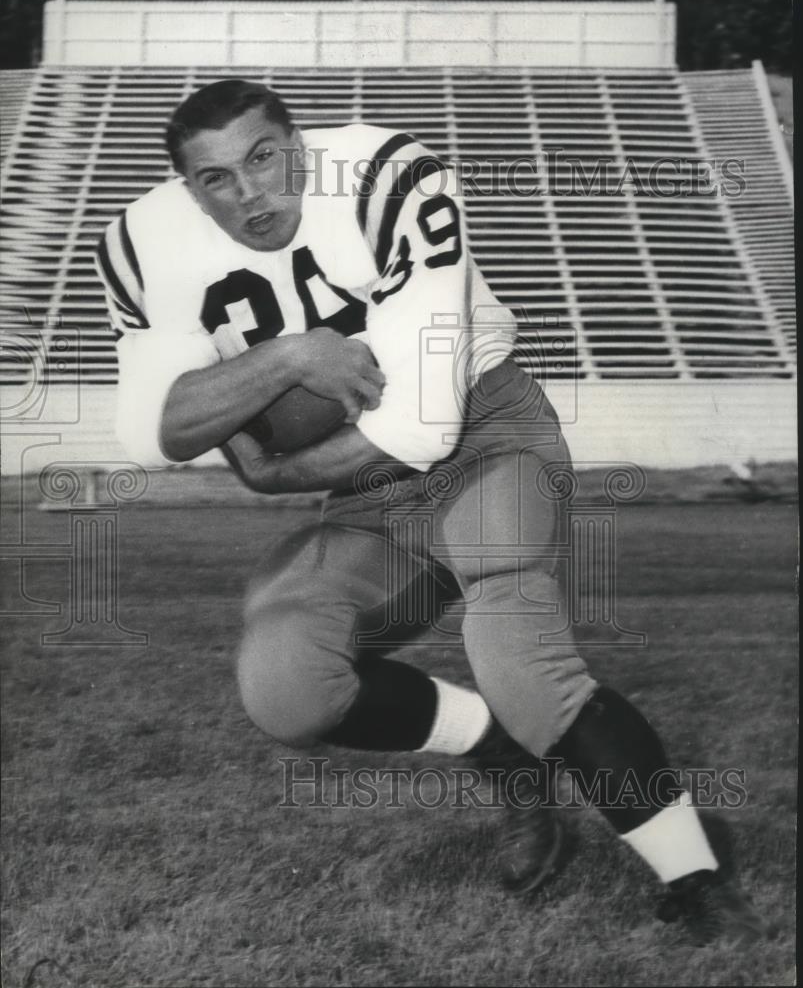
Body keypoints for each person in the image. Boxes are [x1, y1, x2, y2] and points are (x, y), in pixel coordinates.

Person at [95, 78, 766, 946]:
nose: (250, 191)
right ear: (188, 188)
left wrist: (267, 451)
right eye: (216, 178)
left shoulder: (385, 176)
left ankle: (696, 877)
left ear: (298, 144)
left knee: (520, 663)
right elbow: (153, 435)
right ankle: (502, 758)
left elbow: (421, 423)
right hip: (367, 483)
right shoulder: (142, 240)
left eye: (263, 157)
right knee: (286, 685)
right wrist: (297, 353)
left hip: (486, 434)